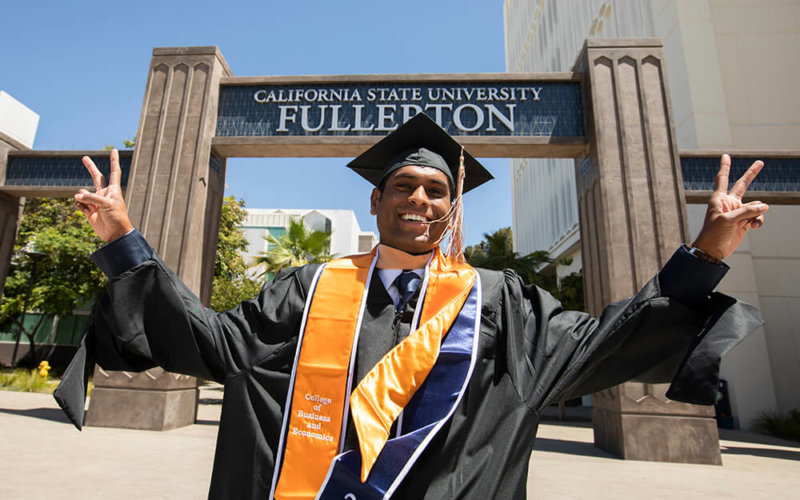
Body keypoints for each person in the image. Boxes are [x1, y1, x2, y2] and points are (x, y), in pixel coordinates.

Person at [56, 113, 768, 499]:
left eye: (435, 193)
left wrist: (705, 251)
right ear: (377, 199)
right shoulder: (306, 291)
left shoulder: (502, 303)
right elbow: (209, 341)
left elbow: (603, 343)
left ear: (452, 212)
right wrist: (123, 242)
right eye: (403, 188)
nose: (420, 202)